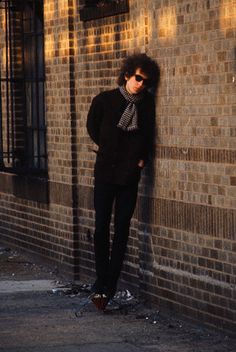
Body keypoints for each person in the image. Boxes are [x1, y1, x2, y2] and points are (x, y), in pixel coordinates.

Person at [86, 53, 160, 310]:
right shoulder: (105, 100)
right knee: (101, 226)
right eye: (138, 78)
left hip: (129, 175)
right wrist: (108, 150)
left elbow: (148, 133)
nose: (141, 84)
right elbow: (92, 128)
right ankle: (101, 280)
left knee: (122, 229)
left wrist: (141, 160)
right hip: (106, 172)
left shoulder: (147, 104)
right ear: (127, 75)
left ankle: (110, 286)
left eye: (146, 81)